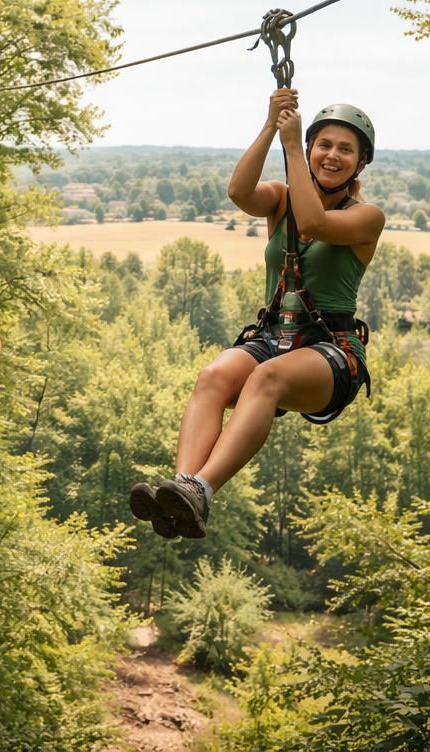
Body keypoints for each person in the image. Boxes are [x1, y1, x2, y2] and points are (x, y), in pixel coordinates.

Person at [130, 89, 384, 539]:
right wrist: (271, 126)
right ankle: (182, 490)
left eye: (346, 149)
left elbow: (313, 224)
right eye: (323, 145)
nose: (332, 156)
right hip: (274, 337)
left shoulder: (367, 217)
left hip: (331, 351)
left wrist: (290, 147)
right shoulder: (281, 200)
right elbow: (238, 191)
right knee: (214, 376)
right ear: (311, 149)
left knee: (266, 379)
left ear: (360, 163)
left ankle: (202, 490)